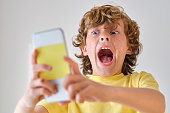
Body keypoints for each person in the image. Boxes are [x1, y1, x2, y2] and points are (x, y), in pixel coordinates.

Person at [14, 5, 165, 113]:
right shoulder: (71, 92)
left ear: (129, 47)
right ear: (84, 48)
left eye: (113, 32)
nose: (104, 36)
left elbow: (158, 106)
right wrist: (28, 100)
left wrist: (105, 92)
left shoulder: (138, 81)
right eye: (95, 33)